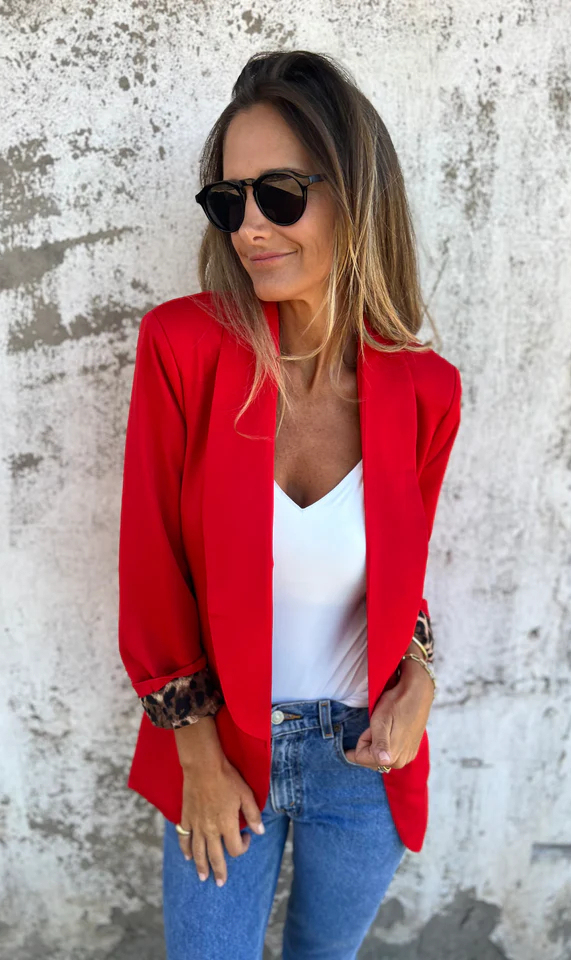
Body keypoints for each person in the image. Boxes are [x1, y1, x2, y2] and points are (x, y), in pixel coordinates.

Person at [118, 49, 462, 960]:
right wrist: (196, 752)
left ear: (357, 195)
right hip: (224, 750)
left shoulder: (427, 390)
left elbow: (399, 578)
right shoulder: (183, 348)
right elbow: (151, 570)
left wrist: (422, 680)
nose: (250, 228)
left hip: (365, 761)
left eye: (278, 194)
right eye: (229, 202)